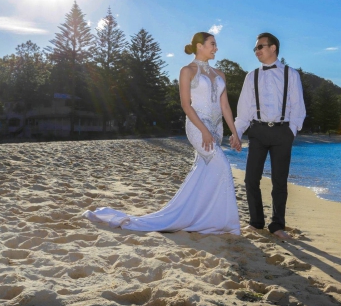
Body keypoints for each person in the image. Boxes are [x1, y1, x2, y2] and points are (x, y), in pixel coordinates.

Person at [83, 32, 241, 235]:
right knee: (223, 166)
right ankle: (226, 224)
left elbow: (225, 106)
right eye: (212, 44)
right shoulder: (187, 71)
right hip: (197, 127)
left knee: (206, 173)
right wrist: (203, 131)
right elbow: (186, 105)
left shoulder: (221, 74)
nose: (216, 48)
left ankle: (204, 218)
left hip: (216, 129)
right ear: (200, 46)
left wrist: (234, 133)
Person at [230, 33, 306, 240]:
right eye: (255, 48)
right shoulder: (251, 76)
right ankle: (256, 222)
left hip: (283, 132)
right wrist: (236, 134)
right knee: (250, 179)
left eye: (260, 47)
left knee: (279, 182)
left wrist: (291, 131)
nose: (257, 51)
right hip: (258, 132)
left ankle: (277, 225)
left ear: (273, 48)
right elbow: (244, 110)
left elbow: (298, 107)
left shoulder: (292, 74)